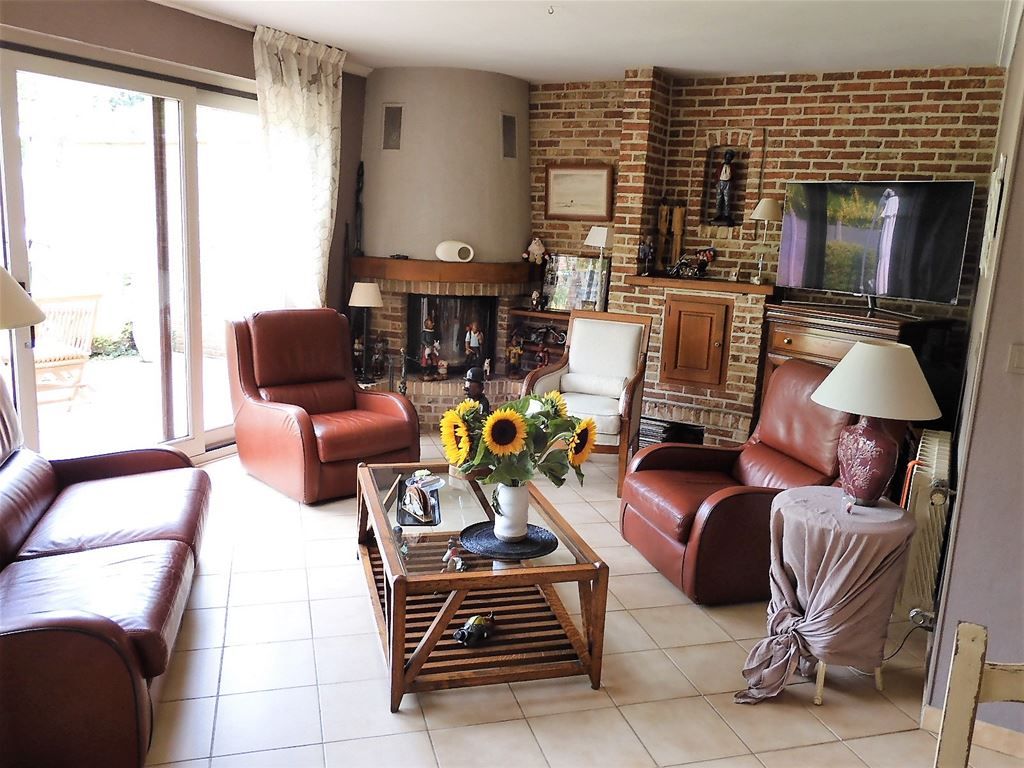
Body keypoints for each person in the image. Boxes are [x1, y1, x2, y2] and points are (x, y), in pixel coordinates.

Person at [713, 149, 737, 225]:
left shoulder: (732, 167)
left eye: (729, 157)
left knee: (727, 200)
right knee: (718, 200)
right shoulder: (720, 166)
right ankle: (718, 214)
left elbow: (734, 176)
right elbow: (716, 175)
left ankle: (727, 215)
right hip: (720, 183)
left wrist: (732, 183)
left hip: (728, 183)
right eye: (727, 157)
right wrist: (717, 183)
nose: (727, 159)